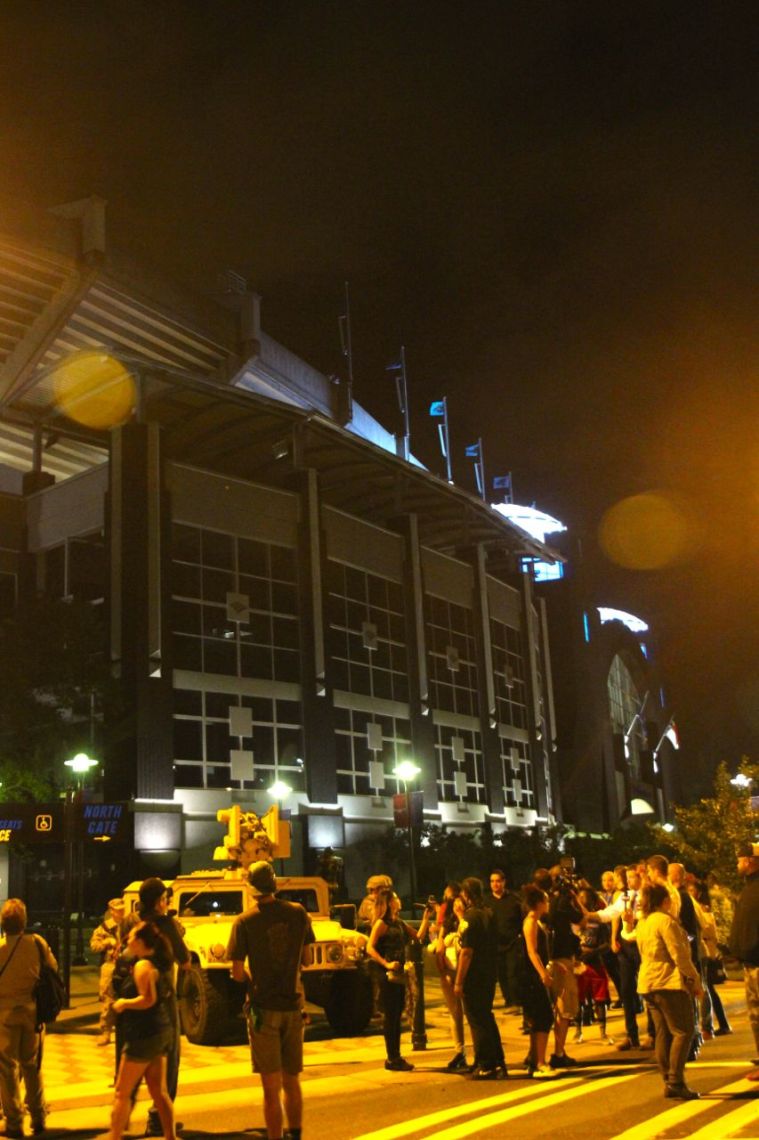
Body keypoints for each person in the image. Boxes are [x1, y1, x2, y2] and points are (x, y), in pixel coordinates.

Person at [227, 860, 315, 1139]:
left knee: (270, 1087)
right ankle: (296, 1134)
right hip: (293, 1007)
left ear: (251, 888)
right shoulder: (299, 913)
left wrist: (253, 974)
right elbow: (308, 959)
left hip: (263, 1011)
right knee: (292, 1082)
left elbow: (237, 973)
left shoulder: (244, 921)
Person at [122, 878, 190, 1137]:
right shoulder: (165, 924)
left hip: (134, 999)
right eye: (165, 898)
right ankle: (159, 1118)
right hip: (162, 999)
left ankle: (123, 1112)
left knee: (133, 1056)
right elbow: (184, 961)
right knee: (168, 1058)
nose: (167, 903)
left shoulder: (130, 922)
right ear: (159, 900)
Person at [109, 922, 176, 1139]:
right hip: (160, 1031)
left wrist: (123, 1004)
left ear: (139, 942)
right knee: (158, 1091)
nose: (127, 941)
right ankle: (170, 1136)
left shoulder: (143, 966)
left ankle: (115, 1135)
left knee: (122, 1092)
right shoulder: (160, 962)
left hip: (142, 1035)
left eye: (130, 938)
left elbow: (148, 1000)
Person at [636, 882, 702, 1100]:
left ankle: (668, 1078)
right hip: (667, 981)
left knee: (663, 1031)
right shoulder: (665, 921)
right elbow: (680, 954)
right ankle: (675, 1080)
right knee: (683, 1031)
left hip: (648, 981)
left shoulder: (643, 922)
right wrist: (694, 980)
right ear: (664, 901)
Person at [0, 898, 57, 1138]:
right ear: (24, 921)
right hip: (32, 1012)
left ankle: (14, 1121)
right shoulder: (37, 943)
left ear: (3, 923)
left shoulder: (0, 947)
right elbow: (52, 968)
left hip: (4, 1014)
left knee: (6, 1067)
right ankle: (38, 1116)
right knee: (32, 1065)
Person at [366, 889, 431, 1071]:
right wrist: (386, 964)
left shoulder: (399, 923)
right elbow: (370, 947)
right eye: (395, 898)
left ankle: (396, 1056)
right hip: (387, 976)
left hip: (399, 975)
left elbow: (417, 937)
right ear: (387, 903)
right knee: (391, 1016)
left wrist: (426, 918)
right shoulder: (381, 923)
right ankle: (392, 1057)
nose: (398, 900)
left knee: (396, 1016)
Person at [454, 877, 507, 1080]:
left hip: (474, 975)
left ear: (466, 895)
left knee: (476, 1019)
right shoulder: (489, 912)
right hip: (489, 972)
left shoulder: (471, 917)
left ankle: (486, 1063)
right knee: (486, 1015)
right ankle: (496, 1058)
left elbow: (467, 952)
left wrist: (459, 981)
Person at [520, 884, 559, 1079]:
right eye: (546, 900)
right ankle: (540, 1063)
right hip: (533, 977)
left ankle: (534, 1059)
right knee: (543, 1017)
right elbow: (531, 951)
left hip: (536, 974)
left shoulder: (536, 921)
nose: (548, 903)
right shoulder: (531, 922)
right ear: (539, 903)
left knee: (539, 1018)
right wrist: (543, 973)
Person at [729, 842, 759, 1080]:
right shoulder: (748, 889)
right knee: (756, 1015)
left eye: (740, 859)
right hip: (749, 964)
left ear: (750, 861)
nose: (737, 863)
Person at [431, 883, 469, 1071]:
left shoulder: (468, 921)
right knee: (455, 1013)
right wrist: (443, 970)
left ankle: (481, 1052)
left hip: (466, 971)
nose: (456, 906)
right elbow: (439, 946)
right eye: (453, 903)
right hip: (449, 970)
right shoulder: (447, 923)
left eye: (459, 903)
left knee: (471, 1013)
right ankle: (459, 1051)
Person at [485, 869, 523, 1012]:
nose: (495, 884)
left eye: (498, 881)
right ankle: (508, 1001)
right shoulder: (487, 902)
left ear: (503, 882)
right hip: (495, 945)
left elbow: (522, 918)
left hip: (513, 943)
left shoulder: (514, 899)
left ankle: (516, 1002)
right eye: (492, 881)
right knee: (501, 975)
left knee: (513, 973)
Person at [91, 897, 125, 1046]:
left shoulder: (128, 925)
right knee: (107, 1000)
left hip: (126, 965)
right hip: (110, 966)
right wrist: (106, 943)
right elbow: (94, 945)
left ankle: (124, 1031)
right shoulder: (104, 928)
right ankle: (106, 1032)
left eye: (122, 910)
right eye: (118, 910)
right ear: (112, 911)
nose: (121, 913)